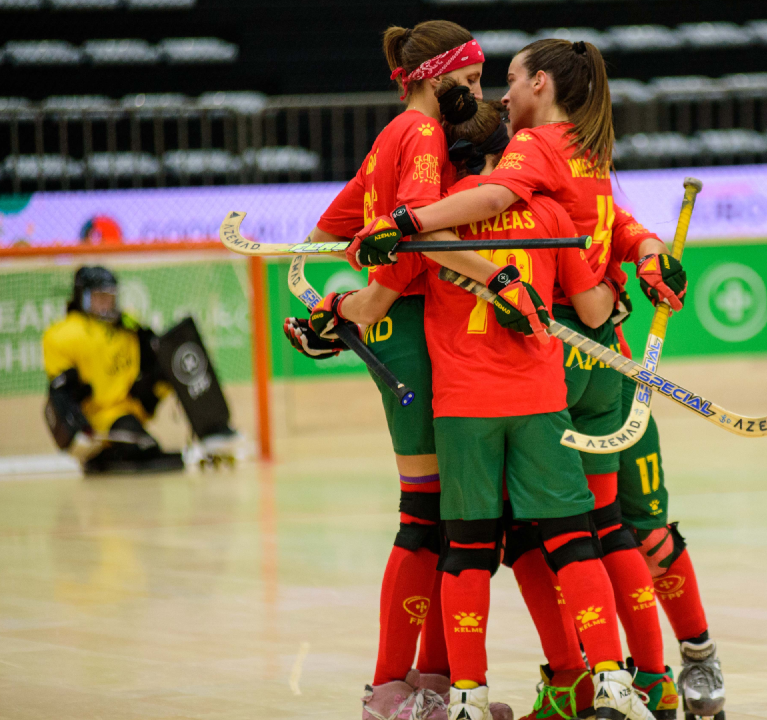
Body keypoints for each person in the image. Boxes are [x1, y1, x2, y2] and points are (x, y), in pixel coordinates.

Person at [357, 39, 690, 718]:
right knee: (606, 532)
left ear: (541, 83)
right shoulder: (576, 175)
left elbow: (381, 288)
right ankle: (640, 679)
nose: (501, 95)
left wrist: (402, 225)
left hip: (489, 398)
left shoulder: (512, 169)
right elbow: (609, 268)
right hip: (588, 368)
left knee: (459, 540)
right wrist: (644, 263)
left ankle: (466, 693)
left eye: (506, 80)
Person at [278, 20, 509, 720]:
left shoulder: (387, 136)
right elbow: (413, 224)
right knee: (427, 514)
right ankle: (389, 692)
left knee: (443, 516)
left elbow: (323, 237)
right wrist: (371, 300)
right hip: (410, 326)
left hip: (402, 326)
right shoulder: (424, 135)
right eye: (466, 81)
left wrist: (326, 306)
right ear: (433, 77)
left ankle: (431, 687)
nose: (475, 93)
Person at [607, 205, 725, 720]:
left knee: (647, 535)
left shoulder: (573, 182)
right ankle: (605, 676)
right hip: (533, 394)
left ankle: (699, 657)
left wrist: (651, 258)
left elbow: (631, 233)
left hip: (614, 386)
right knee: (568, 542)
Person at [42, 266, 206, 475]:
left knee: (172, 364)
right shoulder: (64, 334)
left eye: (110, 297)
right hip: (99, 415)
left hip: (131, 406)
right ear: (81, 297)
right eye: (99, 297)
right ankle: (103, 455)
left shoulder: (127, 323)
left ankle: (212, 429)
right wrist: (75, 431)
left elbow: (152, 352)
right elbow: (60, 390)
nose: (106, 304)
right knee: (142, 448)